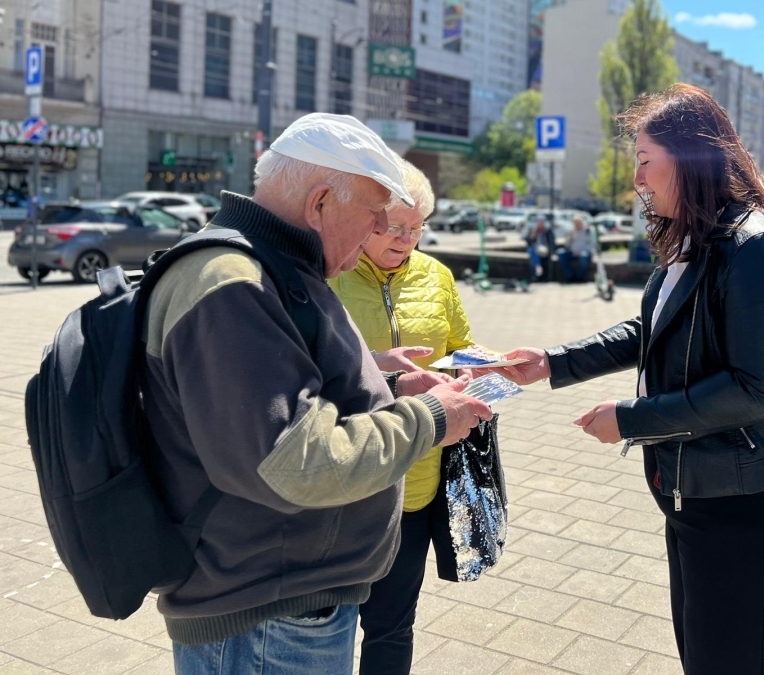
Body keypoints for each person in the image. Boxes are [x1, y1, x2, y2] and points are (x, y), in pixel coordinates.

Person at [493, 84, 764, 675]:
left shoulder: (758, 249)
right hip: (703, 498)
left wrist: (631, 420)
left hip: (759, 506)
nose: (637, 180)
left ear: (690, 157)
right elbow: (651, 328)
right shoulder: (699, 237)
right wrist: (553, 361)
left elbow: (757, 389)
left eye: (644, 160)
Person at [140, 113, 492, 675]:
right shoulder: (235, 282)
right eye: (375, 216)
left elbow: (289, 399)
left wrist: (393, 387)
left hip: (283, 603)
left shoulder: (272, 266)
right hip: (265, 620)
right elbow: (294, 461)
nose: (380, 233)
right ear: (321, 202)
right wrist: (429, 417)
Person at [329, 157, 475, 675]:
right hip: (344, 484)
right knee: (327, 626)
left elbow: (460, 346)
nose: (406, 239)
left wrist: (474, 369)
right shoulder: (329, 273)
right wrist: (381, 370)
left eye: (417, 228)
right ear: (367, 219)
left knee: (393, 625)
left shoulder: (437, 276)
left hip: (417, 479)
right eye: (395, 226)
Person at [558, 215, 594, 283]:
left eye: (578, 223)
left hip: (584, 252)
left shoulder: (588, 231)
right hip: (572, 252)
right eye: (575, 223)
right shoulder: (572, 232)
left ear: (582, 223)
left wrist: (580, 251)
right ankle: (571, 276)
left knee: (584, 256)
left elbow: (592, 244)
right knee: (560, 253)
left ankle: (580, 277)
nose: (577, 225)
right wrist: (570, 238)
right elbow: (567, 245)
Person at [522, 213, 555, 282]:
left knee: (533, 252)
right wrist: (532, 237)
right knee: (532, 250)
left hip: (545, 249)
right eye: (539, 222)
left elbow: (551, 242)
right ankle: (538, 268)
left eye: (541, 222)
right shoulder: (533, 230)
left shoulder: (548, 231)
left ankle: (536, 273)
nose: (540, 224)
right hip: (536, 249)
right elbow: (527, 241)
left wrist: (551, 251)